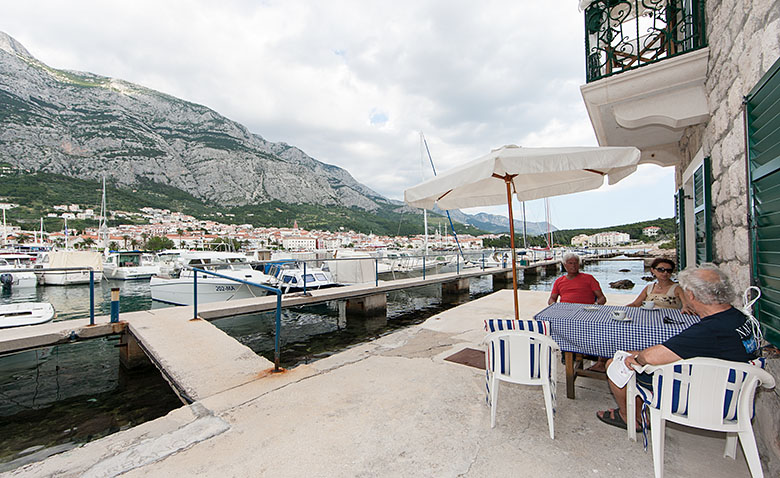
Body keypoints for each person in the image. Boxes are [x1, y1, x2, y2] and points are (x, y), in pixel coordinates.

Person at [596, 263, 760, 430]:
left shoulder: (708, 330)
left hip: (704, 397)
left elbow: (651, 358)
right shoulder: (739, 318)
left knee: (617, 364)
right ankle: (640, 411)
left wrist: (636, 357)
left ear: (691, 295)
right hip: (733, 393)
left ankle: (629, 417)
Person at [626, 257, 694, 314]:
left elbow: (687, 305)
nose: (665, 273)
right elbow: (635, 304)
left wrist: (685, 308)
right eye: (661, 270)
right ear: (653, 270)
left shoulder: (677, 288)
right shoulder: (649, 287)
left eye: (669, 270)